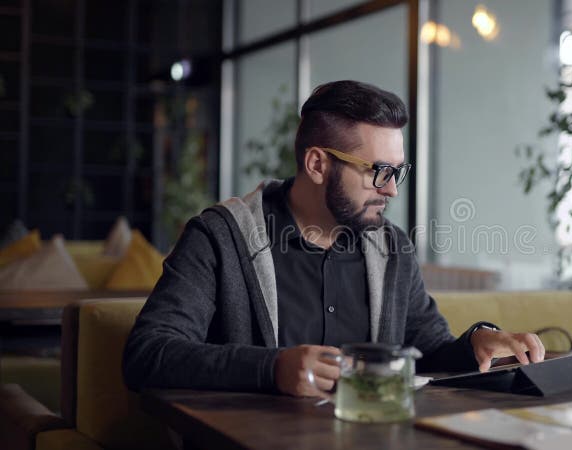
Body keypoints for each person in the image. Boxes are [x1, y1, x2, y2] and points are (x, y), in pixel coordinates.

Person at [122, 80, 544, 397]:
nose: (392, 190)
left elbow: (427, 347)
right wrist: (272, 369)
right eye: (379, 171)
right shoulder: (219, 237)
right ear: (318, 164)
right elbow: (147, 354)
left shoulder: (392, 247)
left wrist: (478, 343)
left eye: (397, 172)